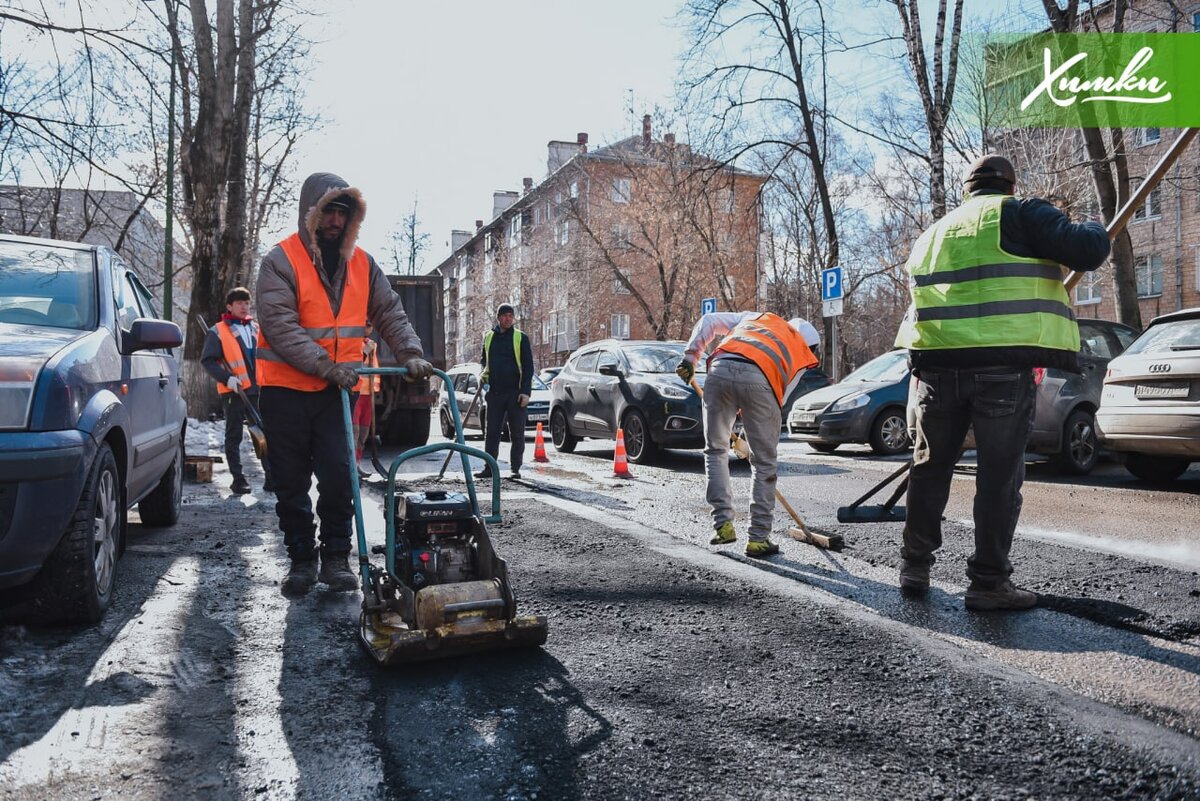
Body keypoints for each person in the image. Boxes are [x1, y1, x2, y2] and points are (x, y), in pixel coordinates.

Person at [893, 153, 1110, 611]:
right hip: (1001, 369)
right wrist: (1090, 221)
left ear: (966, 190)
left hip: (936, 368)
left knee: (930, 468)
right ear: (1010, 186)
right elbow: (1089, 250)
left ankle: (914, 566)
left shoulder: (932, 234)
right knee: (999, 474)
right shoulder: (1021, 213)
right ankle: (989, 583)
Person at [256, 172, 433, 598]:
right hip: (285, 391)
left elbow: (389, 311)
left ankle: (335, 557)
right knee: (290, 481)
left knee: (339, 474)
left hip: (336, 393)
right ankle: (301, 559)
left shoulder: (363, 265)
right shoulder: (280, 261)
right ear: (310, 214)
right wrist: (324, 364)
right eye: (328, 212)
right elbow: (280, 326)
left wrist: (409, 352)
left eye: (342, 213)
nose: (335, 221)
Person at [677, 312, 820, 558]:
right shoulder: (799, 351)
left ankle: (723, 525)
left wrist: (691, 358)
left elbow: (709, 320)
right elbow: (777, 397)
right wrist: (753, 439)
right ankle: (758, 538)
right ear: (811, 346)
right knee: (764, 463)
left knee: (715, 450)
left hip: (720, 367)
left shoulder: (758, 318)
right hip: (760, 383)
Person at [200, 287, 273, 496]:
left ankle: (271, 476)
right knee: (234, 436)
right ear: (229, 306)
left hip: (257, 389)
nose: (244, 306)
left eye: (246, 302)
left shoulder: (256, 329)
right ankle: (238, 479)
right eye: (239, 303)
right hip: (233, 391)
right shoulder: (218, 331)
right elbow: (208, 361)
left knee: (264, 433)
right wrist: (228, 379)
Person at [477, 302, 534, 480]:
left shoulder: (520, 337)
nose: (508, 319)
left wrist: (526, 392)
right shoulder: (488, 337)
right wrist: (484, 377)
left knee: (517, 433)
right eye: (504, 315)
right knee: (491, 432)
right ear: (498, 318)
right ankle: (489, 467)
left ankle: (515, 468)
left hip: (515, 394)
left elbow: (528, 367)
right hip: (494, 394)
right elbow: (483, 361)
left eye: (510, 315)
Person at [352, 320, 380, 468]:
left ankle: (357, 461)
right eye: (363, 324)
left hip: (368, 394)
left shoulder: (371, 344)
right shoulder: (353, 343)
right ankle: (351, 464)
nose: (366, 328)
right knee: (354, 432)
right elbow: (351, 364)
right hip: (356, 393)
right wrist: (363, 352)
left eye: (369, 325)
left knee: (363, 433)